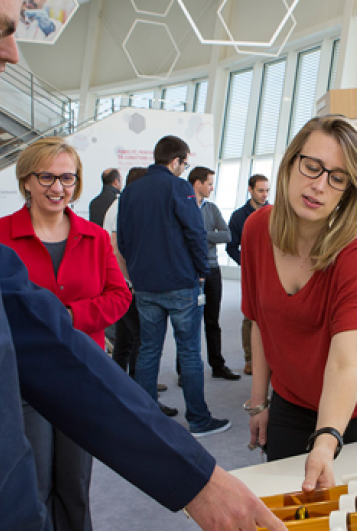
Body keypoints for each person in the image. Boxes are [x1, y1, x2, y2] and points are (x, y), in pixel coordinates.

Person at [0, 1, 284, 529]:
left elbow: (53, 318)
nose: (2, 60)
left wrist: (194, 478)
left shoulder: (101, 218)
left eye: (67, 178)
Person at [243, 115, 357, 492]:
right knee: (289, 511)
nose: (318, 185)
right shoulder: (257, 230)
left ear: (349, 191)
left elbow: (344, 363)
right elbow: (260, 323)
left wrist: (327, 439)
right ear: (290, 163)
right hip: (291, 403)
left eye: (337, 178)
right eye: (312, 166)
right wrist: (259, 403)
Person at [0, 138, 132, 531]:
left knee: (75, 485)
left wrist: (69, 316)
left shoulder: (95, 236)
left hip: (80, 373)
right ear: (26, 180)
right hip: (23, 376)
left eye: (67, 178)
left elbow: (120, 296)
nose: (58, 188)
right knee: (32, 485)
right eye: (47, 177)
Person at [118, 136, 231, 436]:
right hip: (180, 282)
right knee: (190, 352)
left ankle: (145, 419)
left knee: (148, 351)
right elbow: (195, 232)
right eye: (185, 164)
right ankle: (198, 420)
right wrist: (202, 270)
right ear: (175, 161)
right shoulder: (179, 187)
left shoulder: (130, 191)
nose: (184, 169)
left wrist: (137, 270)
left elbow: (123, 240)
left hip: (144, 284)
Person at [188, 166, 240, 381]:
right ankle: (185, 370)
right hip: (190, 271)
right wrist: (208, 236)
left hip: (212, 270)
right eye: (209, 183)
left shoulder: (212, 208)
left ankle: (217, 365)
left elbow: (227, 235)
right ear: (197, 183)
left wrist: (200, 235)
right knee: (189, 324)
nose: (212, 187)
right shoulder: (183, 207)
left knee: (213, 321)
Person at [104, 167, 148, 378]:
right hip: (125, 283)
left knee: (124, 339)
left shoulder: (121, 203)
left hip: (120, 281)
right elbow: (116, 247)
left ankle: (120, 383)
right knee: (141, 338)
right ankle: (140, 386)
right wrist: (130, 281)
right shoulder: (123, 206)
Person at [228, 173, 271, 375]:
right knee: (250, 316)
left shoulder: (275, 214)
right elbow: (231, 247)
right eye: (260, 190)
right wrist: (246, 263)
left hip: (274, 273)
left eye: (267, 191)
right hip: (252, 273)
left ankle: (272, 359)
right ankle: (250, 359)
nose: (264, 195)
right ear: (250, 190)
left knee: (274, 316)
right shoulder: (239, 216)